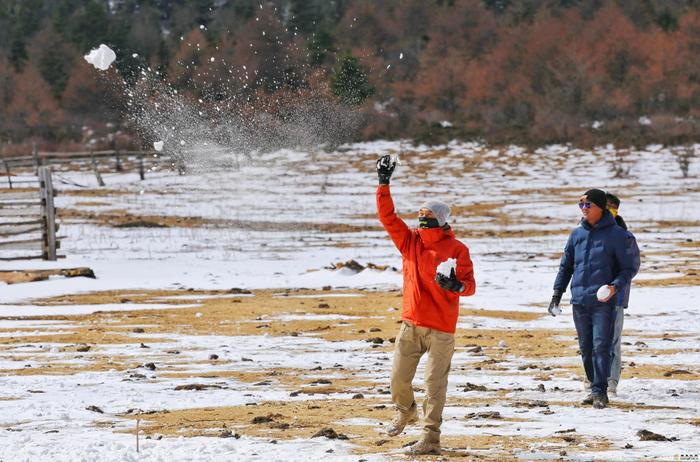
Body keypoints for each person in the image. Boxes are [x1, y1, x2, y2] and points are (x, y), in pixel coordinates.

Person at [375, 154, 476, 455]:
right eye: (419, 214)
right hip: (410, 325)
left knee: (434, 386)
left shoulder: (458, 250)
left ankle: (431, 437)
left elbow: (470, 287)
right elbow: (388, 218)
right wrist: (383, 184)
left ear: (440, 220)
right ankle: (405, 411)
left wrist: (456, 286)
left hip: (441, 330)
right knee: (397, 380)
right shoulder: (410, 242)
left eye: (427, 215)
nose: (421, 219)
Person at [549, 189, 640, 409]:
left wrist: (614, 287)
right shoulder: (576, 234)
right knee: (586, 348)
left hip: (604, 302)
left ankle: (601, 391)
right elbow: (566, 266)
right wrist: (556, 294)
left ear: (601, 208)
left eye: (588, 205)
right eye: (581, 205)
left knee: (602, 346)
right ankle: (593, 385)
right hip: (579, 299)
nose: (583, 210)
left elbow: (630, 267)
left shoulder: (619, 235)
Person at [605, 192, 636, 397]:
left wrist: (615, 287)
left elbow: (631, 267)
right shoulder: (584, 232)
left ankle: (611, 382)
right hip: (589, 296)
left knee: (612, 340)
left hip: (615, 297)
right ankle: (592, 378)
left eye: (610, 207)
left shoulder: (625, 236)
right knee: (590, 341)